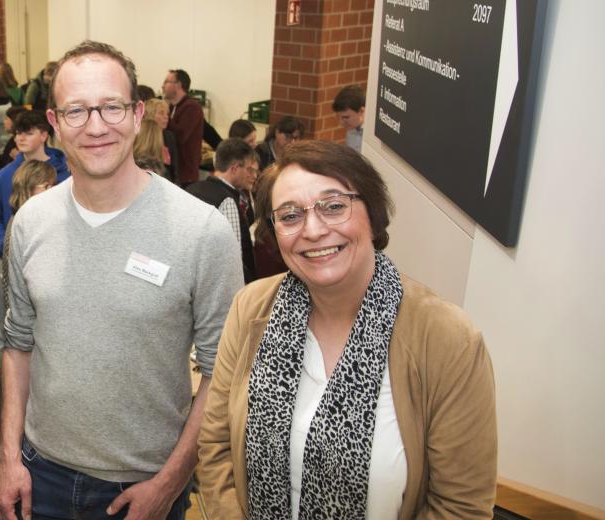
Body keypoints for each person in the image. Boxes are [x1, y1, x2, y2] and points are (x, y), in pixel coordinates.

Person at [0, 40, 241, 520]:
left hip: (145, 486)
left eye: (110, 107)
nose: (96, 126)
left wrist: (169, 484)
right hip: (40, 477)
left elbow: (221, 376)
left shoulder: (201, 230)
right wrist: (9, 460)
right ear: (55, 123)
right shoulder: (30, 223)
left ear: (137, 114)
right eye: (77, 111)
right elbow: (17, 345)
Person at [198, 140, 498, 519]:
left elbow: (461, 507)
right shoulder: (251, 308)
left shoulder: (447, 338)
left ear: (372, 215)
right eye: (289, 216)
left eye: (334, 206)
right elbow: (216, 446)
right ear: (274, 234)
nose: (313, 229)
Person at [0, 110, 69, 268]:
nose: (20, 138)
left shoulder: (65, 174)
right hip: (15, 260)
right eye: (18, 133)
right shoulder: (5, 175)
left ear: (43, 135)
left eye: (28, 133)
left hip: (59, 257)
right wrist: (6, 247)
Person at [0, 159, 54, 351]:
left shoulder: (26, 217)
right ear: (28, 188)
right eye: (47, 186)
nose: (54, 190)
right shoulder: (25, 222)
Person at [186, 138, 259, 283]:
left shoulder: (191, 189)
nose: (254, 176)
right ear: (234, 168)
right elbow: (233, 257)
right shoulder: (227, 201)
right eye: (250, 170)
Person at [162, 68, 205, 186]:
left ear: (178, 85)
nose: (162, 86)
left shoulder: (191, 107)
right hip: (174, 172)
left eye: (166, 82)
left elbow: (180, 136)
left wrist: (164, 119)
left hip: (185, 175)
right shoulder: (172, 107)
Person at [144, 98, 181, 184]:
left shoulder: (169, 136)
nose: (166, 117)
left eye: (167, 114)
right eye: (161, 113)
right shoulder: (141, 136)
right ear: (150, 115)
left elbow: (174, 167)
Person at [334, 84, 366, 152]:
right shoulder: (351, 129)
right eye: (338, 117)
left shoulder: (373, 135)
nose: (341, 122)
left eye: (346, 117)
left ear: (361, 111)